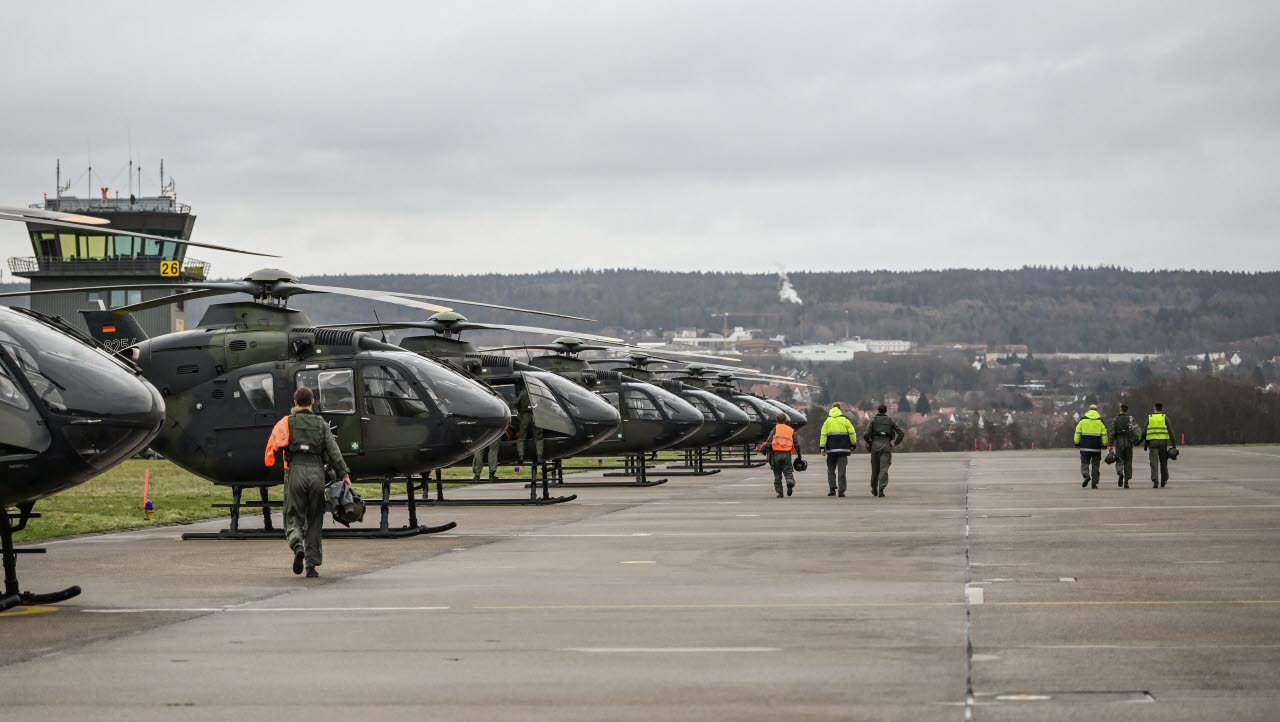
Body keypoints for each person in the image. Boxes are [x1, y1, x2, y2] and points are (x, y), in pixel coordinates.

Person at [265, 387, 351, 578]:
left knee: (293, 515)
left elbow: (273, 445)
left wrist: (272, 460)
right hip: (316, 473)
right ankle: (311, 566)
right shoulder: (321, 424)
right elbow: (334, 451)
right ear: (313, 402)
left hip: (295, 471)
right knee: (314, 519)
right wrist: (344, 473)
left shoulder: (286, 422)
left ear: (295, 403)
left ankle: (297, 545)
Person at [863, 403, 905, 497]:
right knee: (884, 469)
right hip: (886, 445)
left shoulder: (873, 421)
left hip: (875, 446)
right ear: (885, 411)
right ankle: (881, 488)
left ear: (878, 410)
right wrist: (895, 443)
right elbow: (901, 433)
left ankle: (874, 489)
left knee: (875, 469)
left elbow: (865, 435)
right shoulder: (890, 421)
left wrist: (870, 443)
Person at [818, 403, 858, 497]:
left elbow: (823, 435)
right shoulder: (845, 420)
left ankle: (832, 489)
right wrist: (853, 444)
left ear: (832, 409)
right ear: (840, 409)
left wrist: (822, 447)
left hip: (831, 450)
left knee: (831, 470)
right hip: (843, 449)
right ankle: (841, 490)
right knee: (842, 471)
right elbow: (852, 433)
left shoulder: (827, 421)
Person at [763, 411, 799, 497]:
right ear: (785, 420)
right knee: (788, 471)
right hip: (787, 454)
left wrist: (766, 452)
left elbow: (768, 443)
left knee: (777, 474)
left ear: (776, 420)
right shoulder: (790, 430)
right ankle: (790, 481)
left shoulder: (775, 429)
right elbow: (797, 444)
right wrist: (799, 455)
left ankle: (779, 492)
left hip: (776, 454)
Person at [1074, 404, 1109, 489]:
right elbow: (1104, 434)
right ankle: (1094, 482)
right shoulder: (1100, 421)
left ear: (1089, 410)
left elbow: (1077, 432)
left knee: (1084, 463)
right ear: (1096, 410)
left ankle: (1086, 475)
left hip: (1084, 447)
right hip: (1096, 448)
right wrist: (1104, 444)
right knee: (1095, 465)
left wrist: (1077, 442)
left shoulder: (1082, 420)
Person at [1108, 403, 1142, 488]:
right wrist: (1137, 440)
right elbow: (1138, 431)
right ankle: (1126, 481)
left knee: (1119, 460)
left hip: (1119, 442)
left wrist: (1110, 444)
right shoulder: (1131, 419)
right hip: (1129, 442)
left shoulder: (1115, 419)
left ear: (1120, 410)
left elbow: (1112, 433)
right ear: (1127, 410)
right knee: (1128, 461)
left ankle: (1120, 473)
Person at [1145, 402, 1176, 488]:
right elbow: (1171, 431)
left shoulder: (1150, 418)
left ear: (1154, 408)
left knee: (1154, 462)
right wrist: (1174, 444)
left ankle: (1155, 481)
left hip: (1153, 442)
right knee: (1163, 462)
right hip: (1163, 443)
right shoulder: (1165, 417)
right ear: (1161, 409)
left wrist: (1138, 441)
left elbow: (1144, 431)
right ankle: (1164, 480)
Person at [516, 382, 543, 464]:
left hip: (525, 416)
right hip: (536, 415)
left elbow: (516, 403)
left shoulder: (523, 392)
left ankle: (521, 457)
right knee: (538, 437)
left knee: (521, 437)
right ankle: (539, 456)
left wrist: (520, 410)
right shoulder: (537, 392)